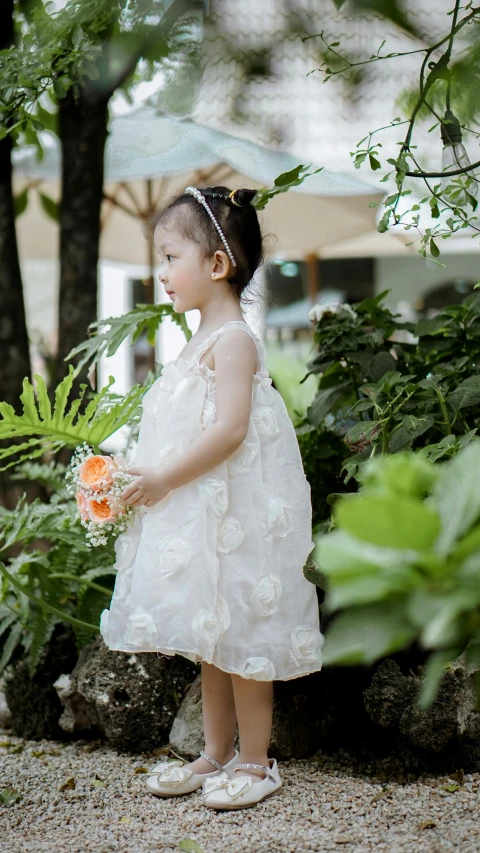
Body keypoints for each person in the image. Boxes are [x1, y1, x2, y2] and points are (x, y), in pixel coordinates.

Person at [99, 184, 324, 810]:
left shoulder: (234, 341)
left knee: (244, 629)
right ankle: (215, 752)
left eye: (171, 257)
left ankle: (256, 761)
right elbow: (180, 426)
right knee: (213, 631)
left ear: (218, 265)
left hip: (238, 510)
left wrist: (166, 478)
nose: (161, 273)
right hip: (206, 507)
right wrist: (135, 471)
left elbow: (229, 429)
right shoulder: (199, 340)